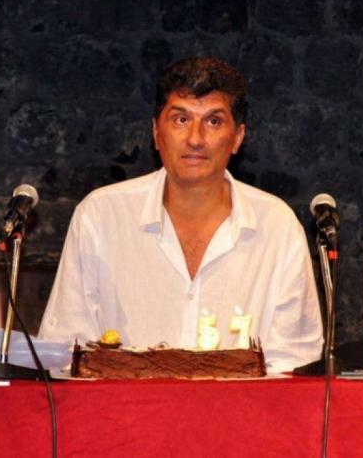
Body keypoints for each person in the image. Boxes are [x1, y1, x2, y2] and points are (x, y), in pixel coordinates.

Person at [38, 57, 323, 372]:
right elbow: (64, 353)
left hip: (243, 405)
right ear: (155, 132)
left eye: (213, 121)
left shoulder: (277, 226)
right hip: (124, 404)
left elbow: (295, 365)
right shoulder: (101, 216)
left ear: (237, 138)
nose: (195, 139)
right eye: (181, 119)